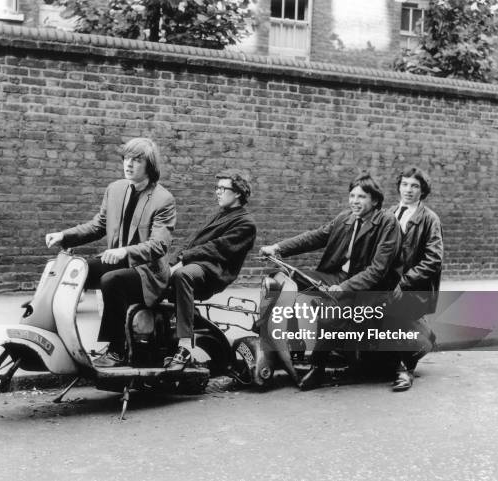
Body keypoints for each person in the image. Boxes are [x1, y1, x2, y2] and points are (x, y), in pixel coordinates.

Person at [260, 173, 402, 390]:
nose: (355, 201)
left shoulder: (386, 223)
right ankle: (282, 346)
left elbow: (378, 269)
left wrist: (343, 288)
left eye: (361, 197)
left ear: (374, 200)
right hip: (336, 276)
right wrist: (278, 248)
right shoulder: (346, 218)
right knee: (281, 280)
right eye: (352, 195)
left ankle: (317, 367)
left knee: (331, 310)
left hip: (369, 286)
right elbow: (315, 236)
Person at [45, 138, 176, 368]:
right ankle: (58, 336)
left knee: (111, 280)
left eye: (137, 160)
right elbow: (98, 225)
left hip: (147, 272)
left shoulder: (163, 199)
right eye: (126, 158)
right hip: (118, 261)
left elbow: (159, 246)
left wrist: (124, 251)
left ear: (150, 165)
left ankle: (116, 351)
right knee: (76, 270)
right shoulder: (115, 189)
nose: (129, 164)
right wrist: (64, 236)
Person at [165, 171, 257, 371]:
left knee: (183, 275)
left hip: (214, 271)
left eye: (223, 189)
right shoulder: (218, 214)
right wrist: (171, 262)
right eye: (217, 188)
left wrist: (182, 262)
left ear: (238, 194)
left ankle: (184, 345)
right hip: (198, 264)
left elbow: (217, 248)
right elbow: (191, 242)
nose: (218, 192)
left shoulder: (246, 223)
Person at [387, 166, 443, 392]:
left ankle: (404, 369)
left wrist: (405, 282)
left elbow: (433, 259)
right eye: (404, 184)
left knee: (398, 317)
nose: (408, 190)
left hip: (412, 286)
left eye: (414, 186)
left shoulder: (430, 219)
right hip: (388, 282)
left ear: (422, 190)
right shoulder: (388, 213)